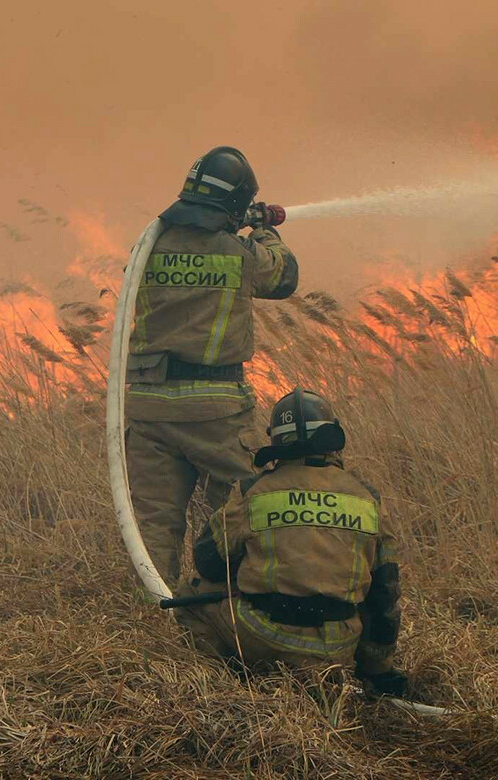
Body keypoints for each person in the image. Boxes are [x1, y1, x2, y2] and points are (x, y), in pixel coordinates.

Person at [126, 146, 298, 583]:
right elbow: (284, 276)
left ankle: (154, 610)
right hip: (215, 412)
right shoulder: (238, 254)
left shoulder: (149, 246)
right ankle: (235, 604)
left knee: (152, 523)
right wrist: (262, 229)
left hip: (148, 409)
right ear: (235, 203)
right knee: (244, 508)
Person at [174, 388, 406, 696]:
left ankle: (229, 681)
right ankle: (319, 678)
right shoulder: (367, 498)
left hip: (264, 638)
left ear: (276, 441)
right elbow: (384, 595)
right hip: (335, 648)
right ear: (331, 438)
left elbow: (208, 561)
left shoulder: (254, 492)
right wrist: (378, 672)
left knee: (191, 590)